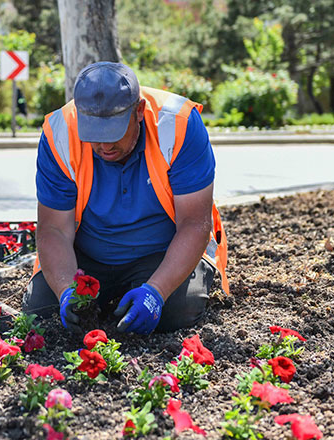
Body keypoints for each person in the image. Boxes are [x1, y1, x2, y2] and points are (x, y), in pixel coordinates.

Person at [22, 62, 229, 335]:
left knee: (176, 312)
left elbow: (194, 223)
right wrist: (65, 291)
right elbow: (53, 229)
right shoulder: (60, 132)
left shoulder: (177, 124)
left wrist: (156, 292)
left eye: (114, 133)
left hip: (161, 252)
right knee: (42, 313)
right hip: (87, 256)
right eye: (94, 135)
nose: (105, 146)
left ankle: (145, 291)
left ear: (139, 111)